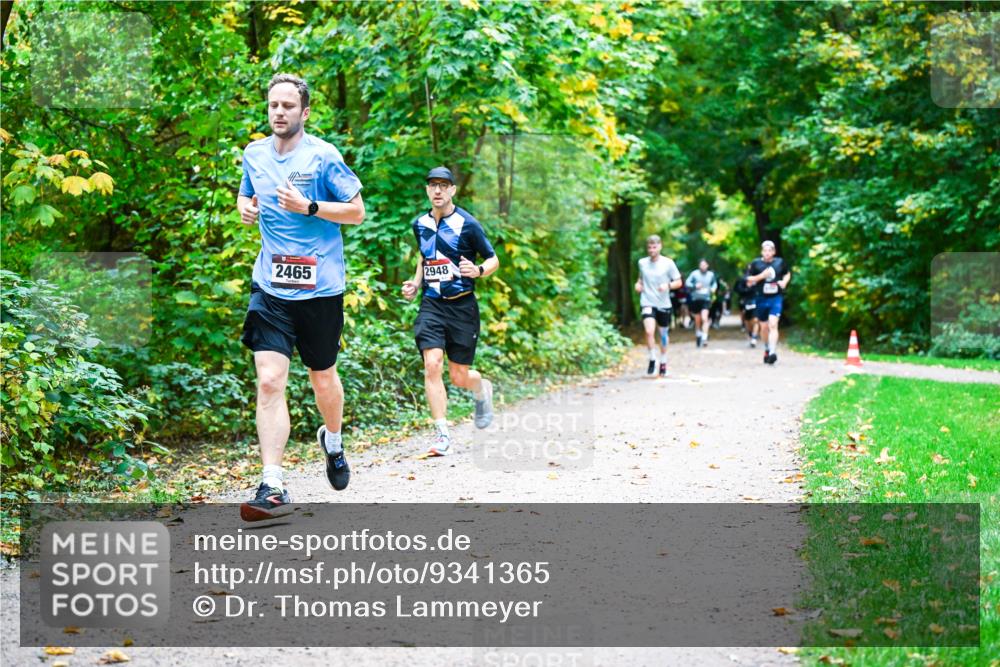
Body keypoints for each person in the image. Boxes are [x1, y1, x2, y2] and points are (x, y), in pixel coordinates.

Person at [236, 73, 365, 522]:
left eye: (288, 106)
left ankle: (332, 439)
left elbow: (357, 212)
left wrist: (309, 206)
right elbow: (246, 194)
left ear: (304, 112)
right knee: (270, 379)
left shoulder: (324, 156)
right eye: (273, 104)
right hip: (271, 286)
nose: (279, 112)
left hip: (321, 290)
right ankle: (272, 484)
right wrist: (245, 208)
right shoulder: (254, 153)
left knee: (322, 378)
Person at [402, 167, 500, 456]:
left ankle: (482, 389)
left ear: (453, 190)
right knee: (432, 363)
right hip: (432, 304)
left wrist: (479, 270)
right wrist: (415, 284)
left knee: (459, 376)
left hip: (462, 306)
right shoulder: (419, 224)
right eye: (433, 185)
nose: (438, 191)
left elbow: (493, 258)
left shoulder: (467, 224)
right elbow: (424, 257)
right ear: (427, 190)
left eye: (444, 185)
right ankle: (442, 434)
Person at [634, 235, 682, 377]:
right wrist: (638, 285)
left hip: (663, 303)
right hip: (647, 301)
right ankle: (652, 358)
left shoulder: (668, 263)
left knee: (663, 335)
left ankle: (663, 361)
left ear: (660, 246)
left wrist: (667, 285)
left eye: (654, 247)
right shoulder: (642, 263)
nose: (651, 250)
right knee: (649, 331)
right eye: (649, 247)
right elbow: (640, 279)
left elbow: (679, 282)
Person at [745, 240, 791, 364]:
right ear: (762, 252)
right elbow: (748, 280)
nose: (767, 253)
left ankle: (772, 352)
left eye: (770, 250)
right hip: (761, 297)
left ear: (774, 252)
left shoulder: (780, 262)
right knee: (764, 327)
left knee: (773, 324)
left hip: (776, 297)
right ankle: (766, 347)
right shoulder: (756, 263)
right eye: (765, 250)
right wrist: (761, 276)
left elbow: (787, 274)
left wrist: (784, 282)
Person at [685, 259, 718, 347]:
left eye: (704, 265)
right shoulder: (694, 274)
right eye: (701, 265)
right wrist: (694, 286)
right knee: (697, 319)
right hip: (696, 299)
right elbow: (687, 283)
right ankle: (698, 333)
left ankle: (704, 337)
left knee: (704, 318)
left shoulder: (711, 274)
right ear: (699, 266)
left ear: (707, 265)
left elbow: (714, 283)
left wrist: (713, 288)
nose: (703, 266)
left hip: (706, 299)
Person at [733, 270, 760, 347]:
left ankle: (754, 337)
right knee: (748, 320)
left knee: (755, 320)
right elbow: (737, 289)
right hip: (745, 302)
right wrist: (747, 288)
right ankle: (750, 334)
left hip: (756, 301)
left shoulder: (758, 278)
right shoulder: (742, 279)